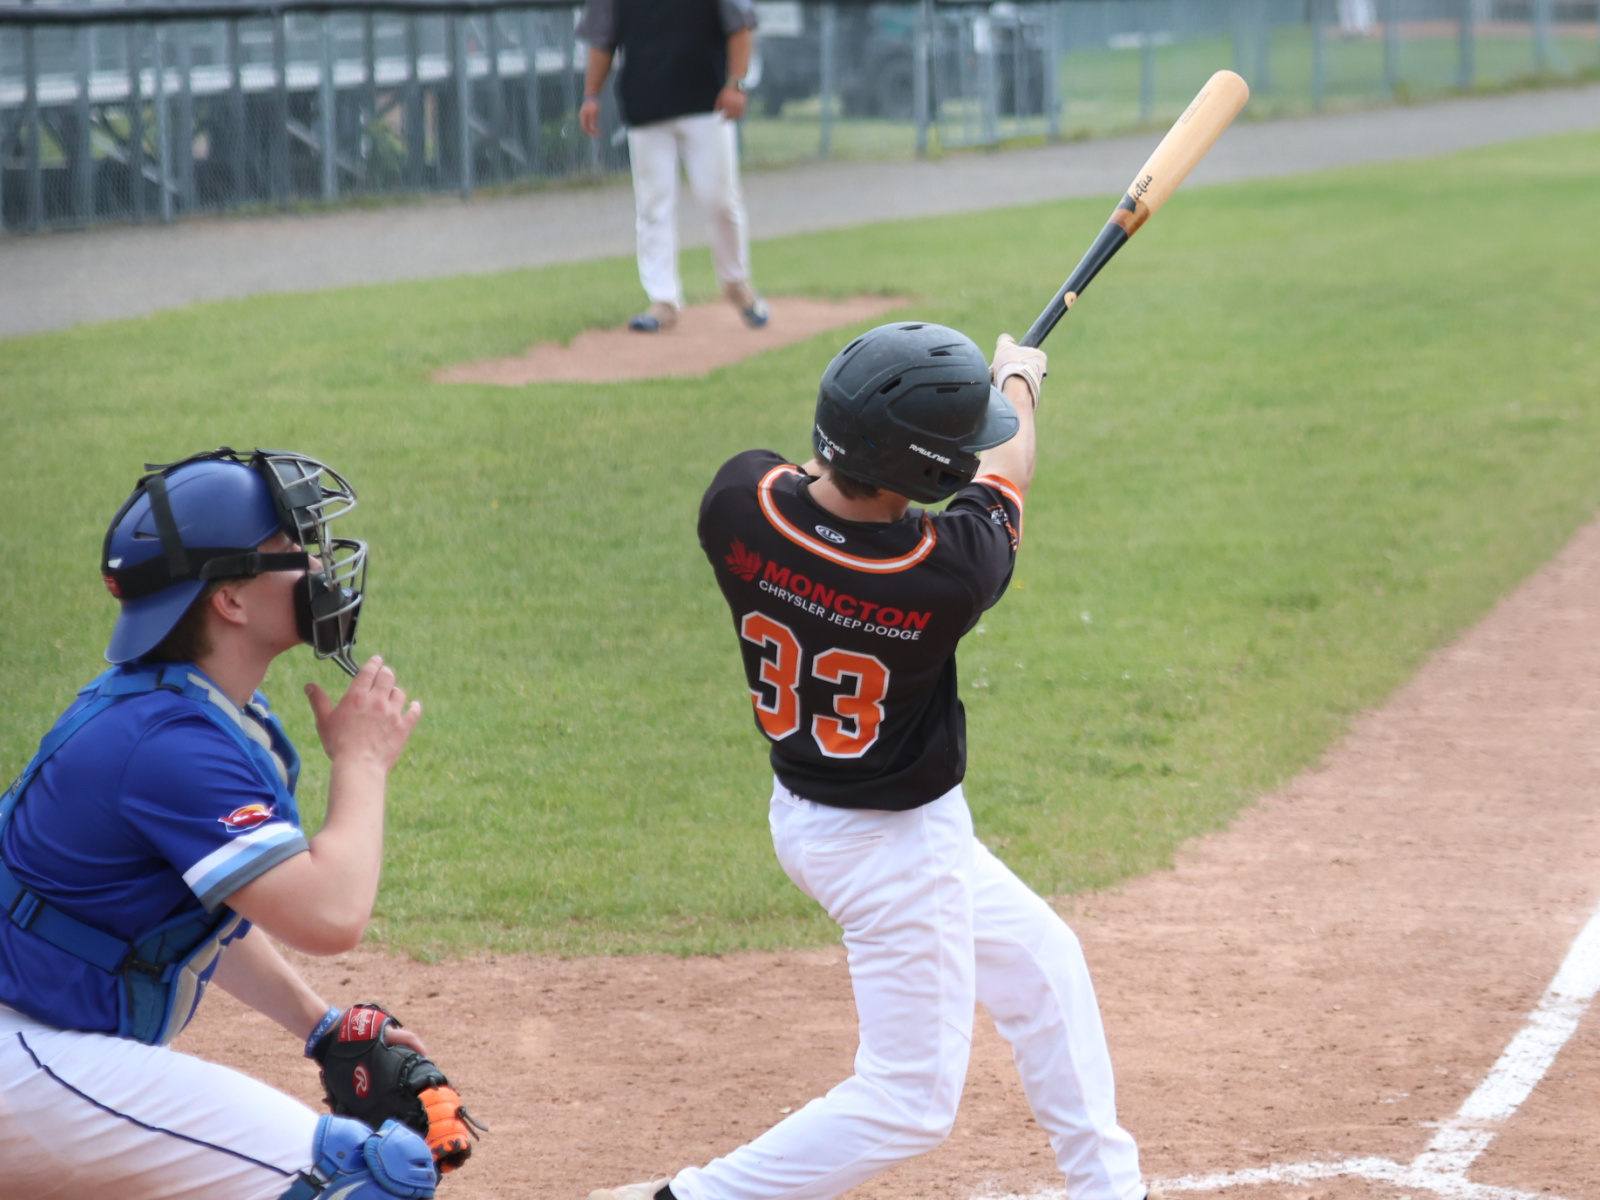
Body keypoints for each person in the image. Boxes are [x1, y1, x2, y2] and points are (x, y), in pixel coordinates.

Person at [591, 325, 1151, 1200]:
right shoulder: (942, 580)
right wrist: (1018, 382)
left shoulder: (735, 502)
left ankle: (1110, 1188)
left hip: (808, 813)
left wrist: (970, 400)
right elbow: (1008, 473)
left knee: (1044, 961)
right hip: (897, 847)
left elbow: (863, 483)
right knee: (911, 1102)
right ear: (928, 473)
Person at [0, 448, 457, 1200]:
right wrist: (362, 764)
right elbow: (330, 914)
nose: (317, 566)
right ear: (231, 600)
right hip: (31, 1060)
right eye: (289, 550)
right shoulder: (169, 744)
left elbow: (203, 913)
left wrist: (320, 1027)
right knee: (364, 1176)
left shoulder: (187, 711)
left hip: (44, 1052)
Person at [577, 0, 769, 333]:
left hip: (707, 104)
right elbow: (602, 39)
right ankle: (663, 300)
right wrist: (591, 96)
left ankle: (736, 282)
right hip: (645, 106)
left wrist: (736, 83)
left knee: (720, 200)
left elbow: (739, 26)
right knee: (653, 206)